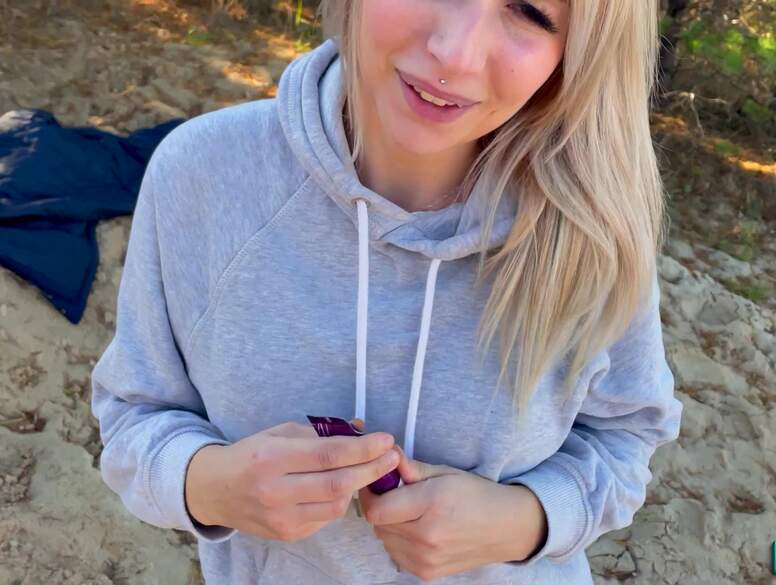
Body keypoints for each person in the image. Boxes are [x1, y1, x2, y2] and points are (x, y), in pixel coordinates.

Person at [89, 0, 683, 583]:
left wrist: (522, 521)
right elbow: (134, 415)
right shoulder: (203, 173)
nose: (455, 52)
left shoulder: (591, 232)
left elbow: (626, 435)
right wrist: (213, 485)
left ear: (577, 51)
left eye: (529, 12)